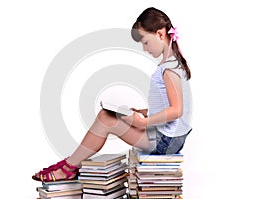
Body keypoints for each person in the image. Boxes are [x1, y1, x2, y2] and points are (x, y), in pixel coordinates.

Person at [32, 7, 192, 182]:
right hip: (168, 137)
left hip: (165, 142)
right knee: (107, 116)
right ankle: (71, 164)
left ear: (160, 34)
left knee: (105, 120)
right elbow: (167, 104)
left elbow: (176, 110)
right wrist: (143, 111)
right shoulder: (172, 64)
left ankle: (68, 167)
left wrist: (144, 122)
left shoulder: (169, 69)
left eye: (145, 42)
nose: (145, 49)